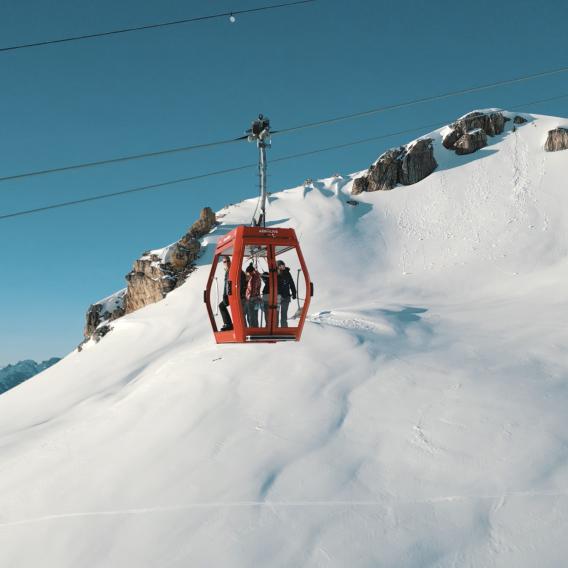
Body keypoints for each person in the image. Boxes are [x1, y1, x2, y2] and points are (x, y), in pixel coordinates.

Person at [218, 257, 246, 331]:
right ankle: (229, 324)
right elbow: (227, 285)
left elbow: (233, 284)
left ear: (230, 262)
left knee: (223, 306)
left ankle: (231, 325)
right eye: (224, 262)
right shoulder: (228, 271)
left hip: (236, 295)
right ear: (223, 263)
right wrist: (225, 295)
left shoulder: (235, 270)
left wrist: (238, 294)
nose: (226, 263)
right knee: (222, 306)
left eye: (228, 261)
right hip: (231, 295)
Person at [276, 260, 296, 327]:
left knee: (284, 314)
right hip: (278, 297)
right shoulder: (275, 274)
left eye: (284, 265)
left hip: (286, 296)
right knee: (276, 313)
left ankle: (284, 328)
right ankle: (275, 328)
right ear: (278, 266)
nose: (284, 266)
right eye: (282, 265)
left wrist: (294, 293)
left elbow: (291, 283)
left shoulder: (287, 273)